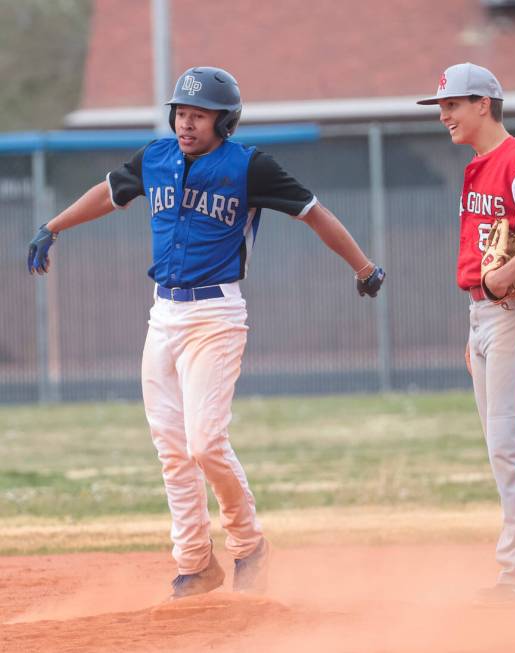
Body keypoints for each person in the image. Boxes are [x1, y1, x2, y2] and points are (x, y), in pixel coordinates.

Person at [27, 66, 385, 600]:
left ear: (225, 121)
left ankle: (249, 546)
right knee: (171, 447)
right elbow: (109, 193)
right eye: (181, 113)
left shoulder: (249, 167)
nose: (187, 124)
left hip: (216, 316)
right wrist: (53, 227)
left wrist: (363, 267)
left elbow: (314, 214)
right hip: (162, 316)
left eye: (199, 115)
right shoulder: (156, 157)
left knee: (205, 442)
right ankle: (195, 563)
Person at [417, 63, 515, 606]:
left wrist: (501, 281)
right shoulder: (481, 166)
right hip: (489, 317)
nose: (444, 115)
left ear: (483, 103)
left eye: (453, 105)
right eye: (441, 106)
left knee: (512, 448)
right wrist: (477, 323)